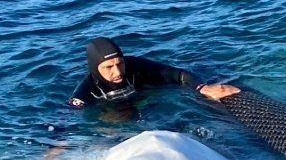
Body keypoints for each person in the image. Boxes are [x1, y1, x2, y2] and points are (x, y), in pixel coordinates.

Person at [68, 37, 242, 112]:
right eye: (108, 67)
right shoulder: (85, 91)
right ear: (95, 69)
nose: (118, 71)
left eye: (119, 63)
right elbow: (65, 118)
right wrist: (57, 145)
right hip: (111, 115)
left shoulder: (135, 65)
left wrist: (202, 88)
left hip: (147, 102)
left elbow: (179, 75)